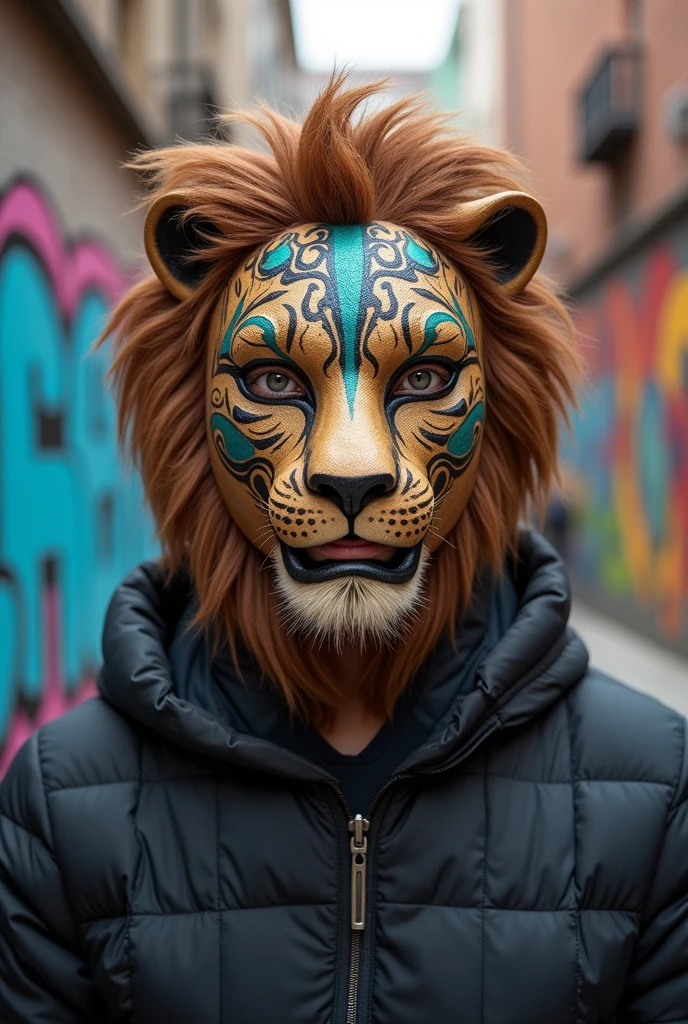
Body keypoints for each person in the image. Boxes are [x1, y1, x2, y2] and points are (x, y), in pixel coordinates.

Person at [1, 77, 687, 1024]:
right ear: (188, 415)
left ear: (501, 412)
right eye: (275, 378)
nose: (351, 465)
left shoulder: (652, 790)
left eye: (431, 377)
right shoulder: (57, 804)